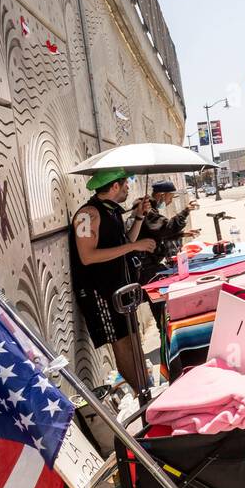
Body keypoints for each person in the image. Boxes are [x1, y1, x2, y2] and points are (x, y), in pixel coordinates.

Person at [68, 168, 157, 394]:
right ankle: (142, 393)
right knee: (122, 343)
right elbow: (87, 257)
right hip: (100, 292)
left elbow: (126, 241)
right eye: (125, 184)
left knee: (134, 338)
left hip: (120, 288)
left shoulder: (112, 211)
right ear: (115, 186)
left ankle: (145, 388)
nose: (128, 188)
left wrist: (138, 217)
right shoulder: (87, 215)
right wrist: (133, 247)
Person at [134, 181, 199, 284]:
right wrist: (185, 211)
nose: (170, 201)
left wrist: (182, 234)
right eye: (170, 197)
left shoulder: (151, 210)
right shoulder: (148, 211)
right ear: (162, 195)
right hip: (146, 266)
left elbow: (159, 233)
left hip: (149, 263)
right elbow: (167, 228)